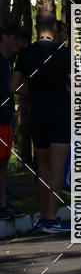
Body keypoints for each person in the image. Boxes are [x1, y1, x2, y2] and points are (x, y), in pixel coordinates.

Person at [10, 11, 71, 234]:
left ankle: (43, 216)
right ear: (55, 27)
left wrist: (33, 92)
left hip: (38, 113)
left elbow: (14, 86)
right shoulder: (64, 53)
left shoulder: (26, 53)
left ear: (36, 28)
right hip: (60, 113)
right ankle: (52, 219)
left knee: (42, 167)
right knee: (57, 168)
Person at [0, 24, 27, 218]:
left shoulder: (7, 62)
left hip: (5, 118)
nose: (19, 42)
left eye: (21, 39)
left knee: (2, 162)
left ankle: (2, 204)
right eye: (15, 37)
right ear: (4, 37)